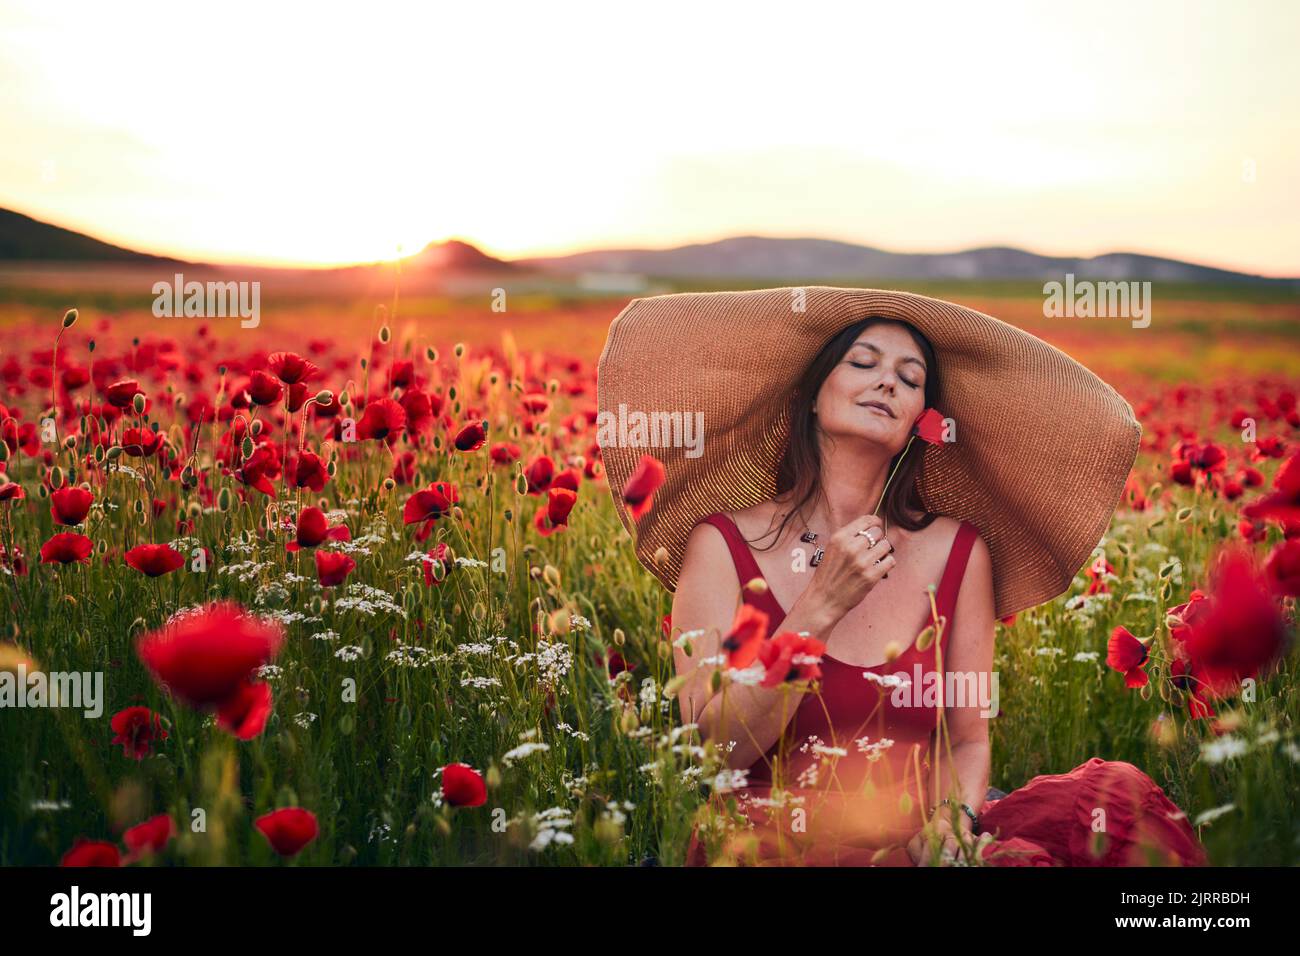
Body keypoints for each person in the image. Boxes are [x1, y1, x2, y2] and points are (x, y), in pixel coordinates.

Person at [596, 287, 1208, 867]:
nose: (888, 379)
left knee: (1113, 798)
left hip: (922, 838)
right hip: (774, 839)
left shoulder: (959, 552)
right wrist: (817, 608)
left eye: (910, 378)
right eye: (863, 363)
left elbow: (968, 740)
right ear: (812, 394)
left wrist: (953, 821)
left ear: (920, 418)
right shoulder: (723, 546)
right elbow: (713, 756)